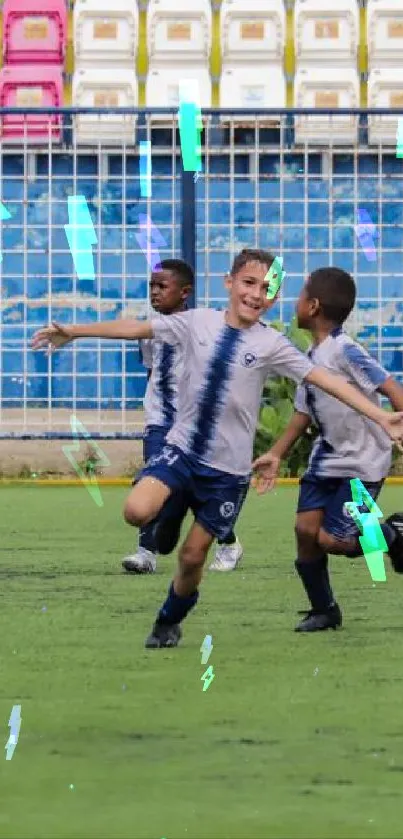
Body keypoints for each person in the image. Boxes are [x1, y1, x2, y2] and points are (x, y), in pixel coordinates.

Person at [31, 250, 403, 649]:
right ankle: (173, 513)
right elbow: (136, 329)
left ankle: (168, 621)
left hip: (227, 474)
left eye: (267, 289)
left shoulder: (273, 345)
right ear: (229, 283)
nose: (257, 294)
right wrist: (74, 329)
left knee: (193, 559)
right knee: (136, 511)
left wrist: (381, 417)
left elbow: (329, 383)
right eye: (249, 283)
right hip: (182, 450)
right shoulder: (197, 322)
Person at [252, 267, 403, 632]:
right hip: (327, 459)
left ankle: (395, 534)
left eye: (300, 295)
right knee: (306, 532)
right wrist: (276, 454)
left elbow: (390, 386)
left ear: (314, 306)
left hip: (364, 462)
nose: (295, 302)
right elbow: (302, 414)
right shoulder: (308, 357)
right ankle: (324, 610)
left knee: (333, 539)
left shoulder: (346, 350)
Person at [122, 258, 243, 575]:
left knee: (194, 491)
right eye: (151, 286)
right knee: (153, 480)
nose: (155, 292)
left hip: (193, 426)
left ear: (185, 292)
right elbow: (152, 369)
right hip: (160, 422)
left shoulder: (201, 329)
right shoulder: (147, 330)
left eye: (162, 286)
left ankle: (228, 542)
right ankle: (145, 552)